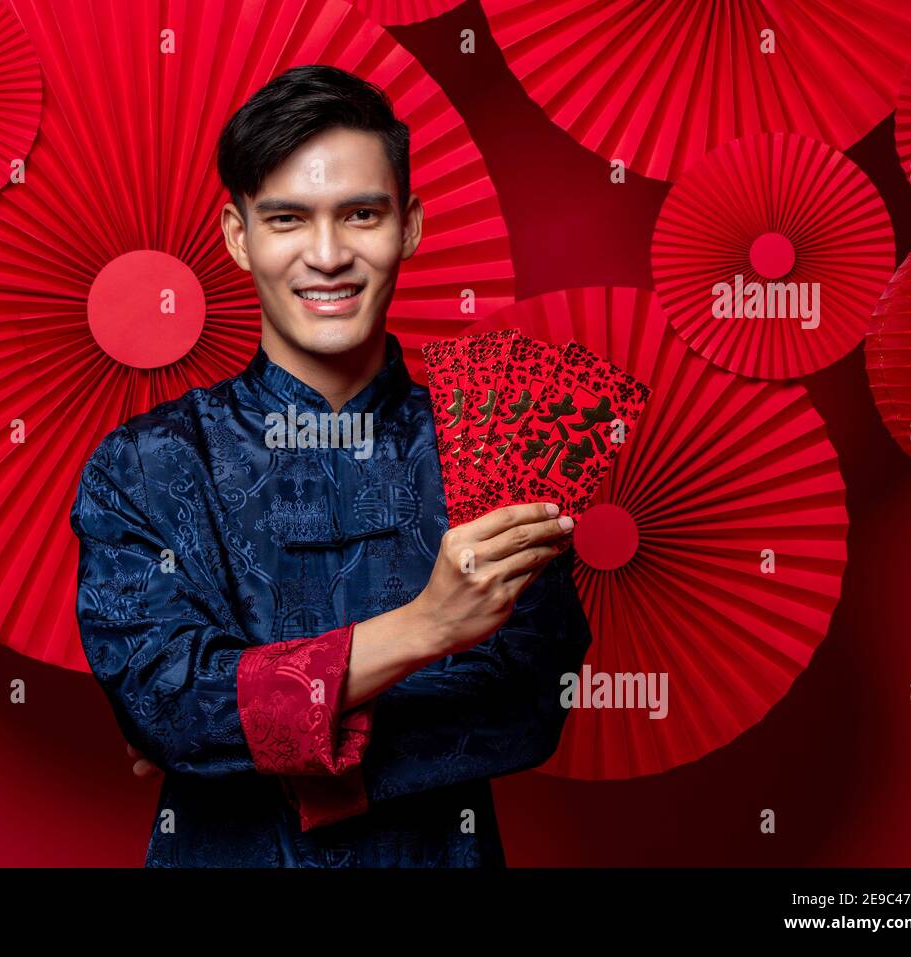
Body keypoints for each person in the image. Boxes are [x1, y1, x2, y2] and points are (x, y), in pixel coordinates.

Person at [69, 64, 593, 867]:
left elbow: (528, 699)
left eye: (360, 214)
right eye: (286, 218)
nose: (327, 255)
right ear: (239, 235)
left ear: (408, 226)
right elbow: (165, 702)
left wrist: (248, 727)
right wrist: (426, 629)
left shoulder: (490, 439)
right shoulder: (145, 465)